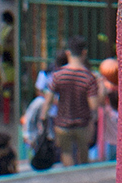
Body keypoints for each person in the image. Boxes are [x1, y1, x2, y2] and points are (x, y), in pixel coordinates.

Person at [40, 38, 103, 167]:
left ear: (68, 53)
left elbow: (49, 100)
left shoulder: (58, 75)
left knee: (66, 153)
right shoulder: (89, 77)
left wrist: (43, 117)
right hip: (82, 124)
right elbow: (93, 106)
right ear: (84, 53)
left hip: (62, 123)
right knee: (83, 154)